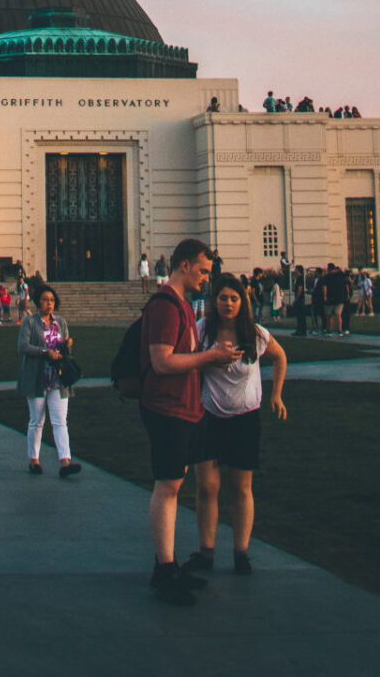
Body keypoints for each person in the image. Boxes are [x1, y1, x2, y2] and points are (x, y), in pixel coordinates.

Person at [140, 239, 243, 606]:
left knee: (173, 486)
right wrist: (209, 357)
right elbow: (163, 362)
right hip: (167, 408)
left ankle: (164, 564)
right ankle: (165, 571)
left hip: (183, 408)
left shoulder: (182, 305)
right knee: (167, 489)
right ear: (184, 266)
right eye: (202, 270)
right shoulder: (167, 306)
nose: (205, 278)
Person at [180, 276, 287, 577]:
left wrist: (276, 394)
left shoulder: (254, 334)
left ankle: (241, 552)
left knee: (241, 488)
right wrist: (209, 358)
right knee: (207, 488)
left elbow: (280, 357)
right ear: (215, 302)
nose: (228, 303)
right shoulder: (202, 331)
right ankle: (206, 552)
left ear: (243, 303)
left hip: (245, 419)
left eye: (234, 298)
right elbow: (185, 362)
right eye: (223, 298)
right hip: (208, 416)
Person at [16, 286, 82, 477]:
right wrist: (45, 352)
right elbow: (22, 346)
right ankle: (34, 460)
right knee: (37, 421)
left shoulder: (60, 322)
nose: (49, 303)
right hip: (37, 376)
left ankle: (65, 462)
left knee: (60, 421)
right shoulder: (29, 322)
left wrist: (67, 345)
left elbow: (64, 349)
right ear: (38, 303)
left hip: (58, 378)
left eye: (52, 300)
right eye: (45, 300)